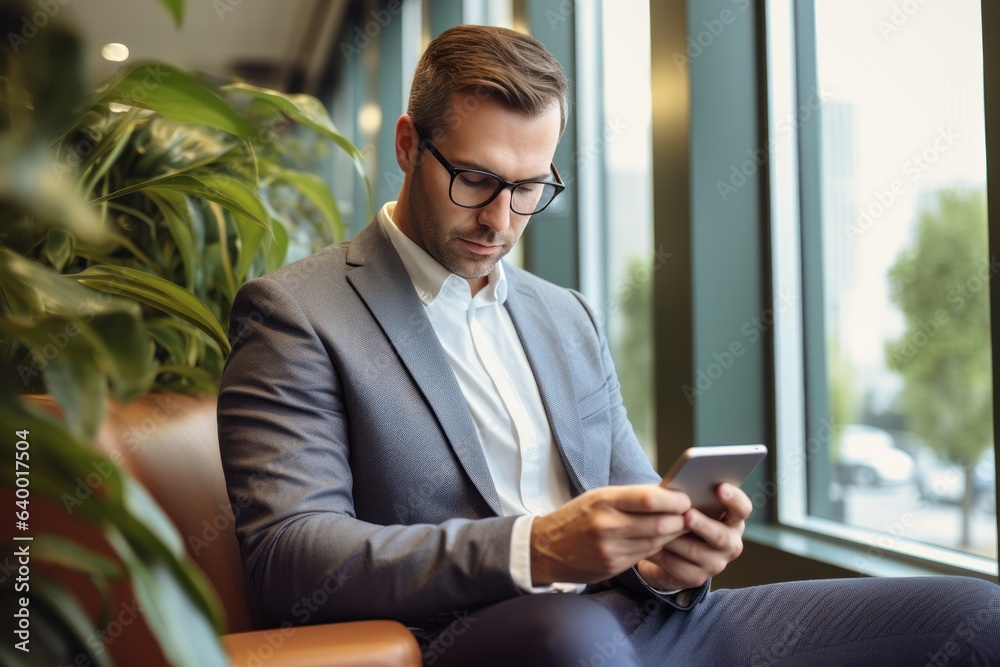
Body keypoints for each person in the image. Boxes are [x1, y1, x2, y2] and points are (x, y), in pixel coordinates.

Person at [217, 24, 999, 666]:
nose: (501, 219)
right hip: (485, 636)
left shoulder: (567, 316)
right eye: (475, 180)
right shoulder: (298, 312)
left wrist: (666, 557)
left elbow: (632, 508)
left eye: (530, 189)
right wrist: (535, 548)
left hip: (646, 627)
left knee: (974, 612)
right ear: (407, 145)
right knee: (576, 639)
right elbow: (293, 558)